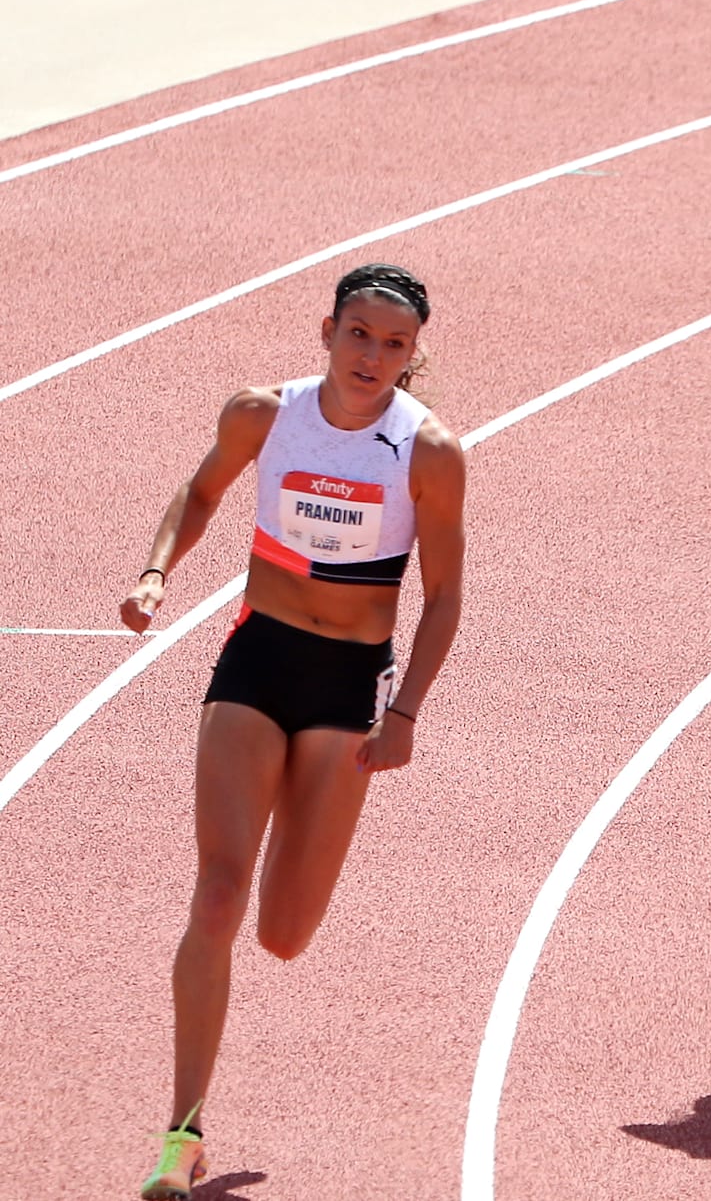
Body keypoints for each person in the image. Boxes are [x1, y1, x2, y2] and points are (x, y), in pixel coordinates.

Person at [123, 264, 465, 1199]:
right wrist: (158, 573)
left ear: (412, 355)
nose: (373, 356)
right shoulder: (263, 414)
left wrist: (403, 715)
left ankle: (281, 916)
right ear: (327, 330)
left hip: (348, 684)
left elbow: (443, 599)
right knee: (219, 893)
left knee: (282, 932)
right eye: (360, 334)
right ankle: (181, 1131)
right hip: (257, 659)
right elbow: (200, 496)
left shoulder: (427, 450)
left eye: (395, 344)